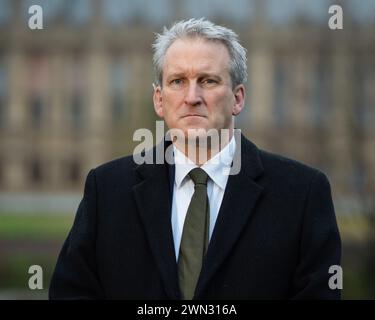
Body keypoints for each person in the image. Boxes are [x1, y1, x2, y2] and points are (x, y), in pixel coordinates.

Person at [49, 18, 341, 300]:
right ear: (159, 100)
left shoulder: (302, 193)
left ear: (238, 98)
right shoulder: (107, 189)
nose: (192, 96)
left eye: (208, 80)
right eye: (178, 81)